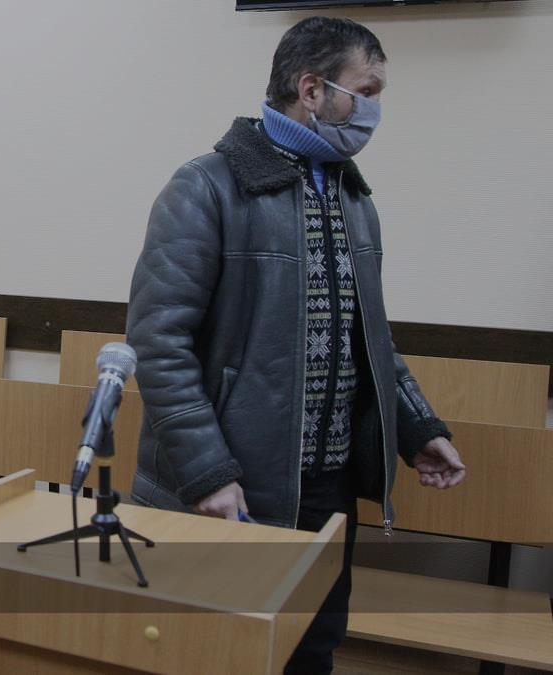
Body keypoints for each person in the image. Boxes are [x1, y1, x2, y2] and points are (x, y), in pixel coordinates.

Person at [125, 17, 466, 674]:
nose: (376, 109)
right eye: (367, 91)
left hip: (327, 488)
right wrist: (208, 472)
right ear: (311, 90)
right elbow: (157, 342)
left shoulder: (352, 196)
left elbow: (368, 338)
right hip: (234, 488)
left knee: (311, 650)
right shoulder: (206, 186)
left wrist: (417, 427)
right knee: (218, 656)